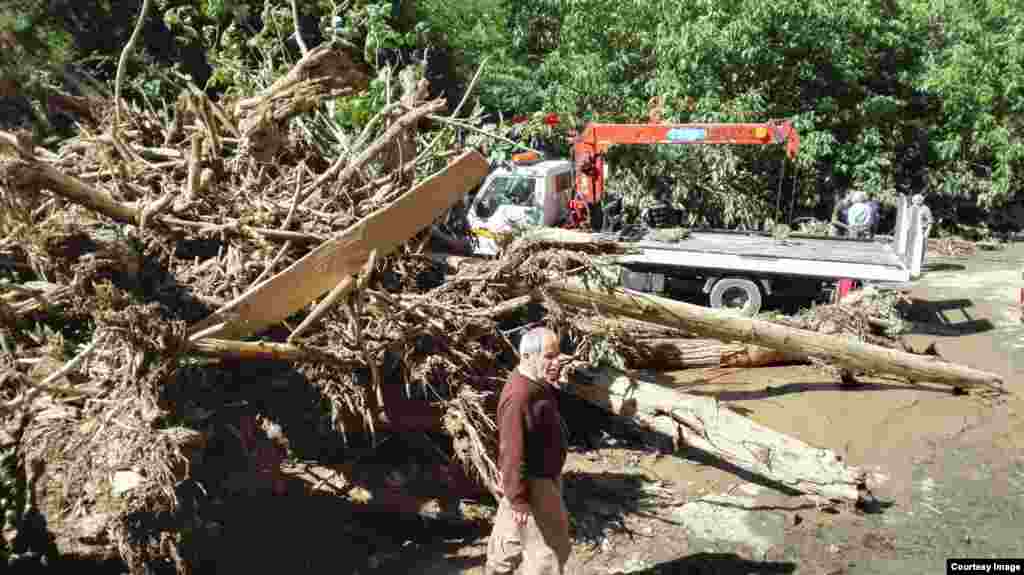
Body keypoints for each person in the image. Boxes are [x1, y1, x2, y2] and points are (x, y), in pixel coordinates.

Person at [485, 327, 571, 575]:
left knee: (508, 541)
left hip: (531, 480)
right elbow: (512, 452)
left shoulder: (536, 383)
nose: (557, 361)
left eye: (558, 355)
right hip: (535, 483)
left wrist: (515, 497)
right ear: (527, 356)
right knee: (550, 552)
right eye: (549, 356)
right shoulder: (520, 397)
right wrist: (520, 499)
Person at [912, 193, 933, 266]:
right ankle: (912, 262)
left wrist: (927, 232)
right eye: (914, 200)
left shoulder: (925, 209)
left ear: (921, 200)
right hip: (913, 231)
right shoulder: (912, 208)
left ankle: (919, 263)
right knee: (912, 248)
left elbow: (930, 222)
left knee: (921, 248)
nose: (915, 201)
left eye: (917, 200)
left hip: (922, 231)